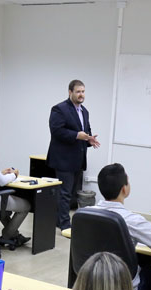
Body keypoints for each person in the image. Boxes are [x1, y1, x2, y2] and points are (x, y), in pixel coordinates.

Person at [94, 163, 151, 290]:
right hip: (123, 286)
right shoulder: (133, 221)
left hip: (93, 279)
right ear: (124, 189)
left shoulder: (87, 212)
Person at [47, 79, 99, 230]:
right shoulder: (59, 109)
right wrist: (77, 135)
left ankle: (60, 220)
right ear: (70, 92)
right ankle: (64, 224)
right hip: (63, 159)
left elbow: (86, 132)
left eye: (83, 91)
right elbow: (57, 131)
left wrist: (90, 140)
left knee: (71, 194)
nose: (81, 95)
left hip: (78, 159)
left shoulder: (84, 111)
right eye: (78, 92)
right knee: (64, 194)